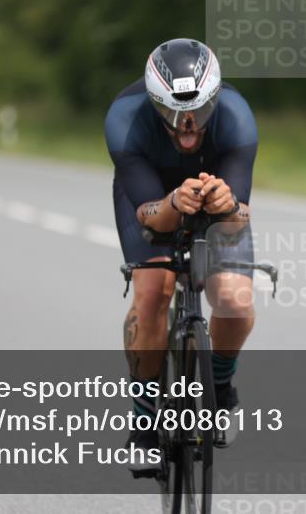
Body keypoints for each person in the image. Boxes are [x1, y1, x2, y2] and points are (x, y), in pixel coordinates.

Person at [104, 39, 257, 474]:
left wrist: (226, 205)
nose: (188, 125)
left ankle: (221, 388)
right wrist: (173, 202)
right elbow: (150, 220)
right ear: (154, 104)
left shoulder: (238, 118)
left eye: (199, 112)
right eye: (172, 113)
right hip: (150, 197)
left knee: (235, 299)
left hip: (215, 197)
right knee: (153, 291)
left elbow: (237, 220)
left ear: (215, 100)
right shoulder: (124, 118)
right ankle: (146, 419)